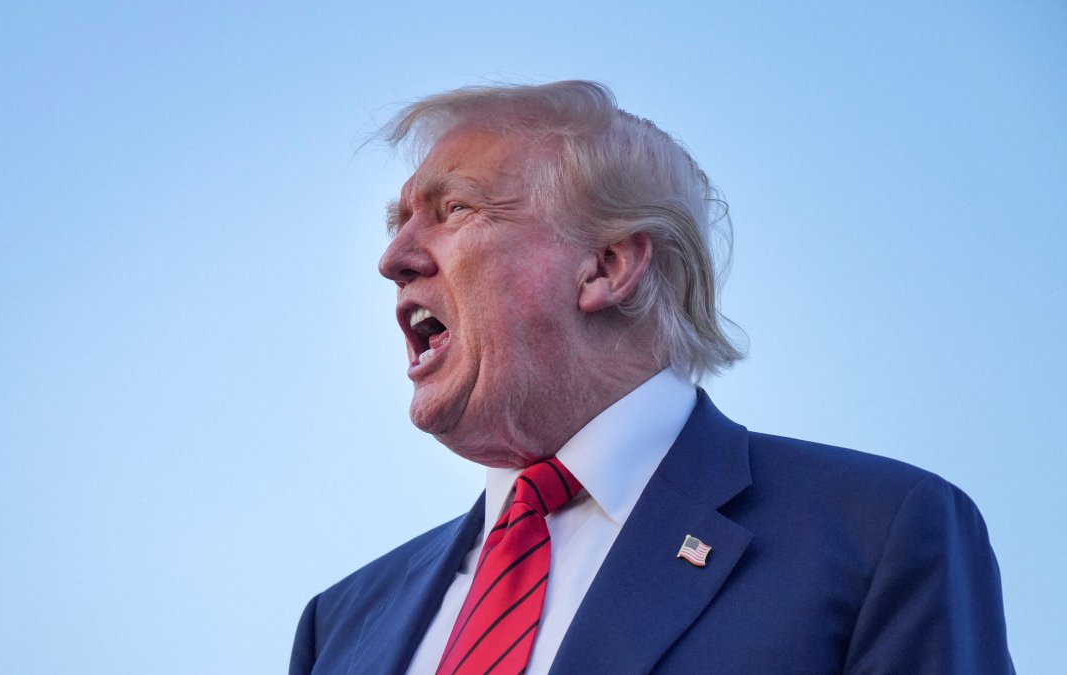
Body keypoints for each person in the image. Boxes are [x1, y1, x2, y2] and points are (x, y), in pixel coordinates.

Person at [290, 81, 1013, 674]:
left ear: (608, 265)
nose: (394, 257)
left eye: (455, 209)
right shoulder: (342, 624)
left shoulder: (878, 533)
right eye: (399, 220)